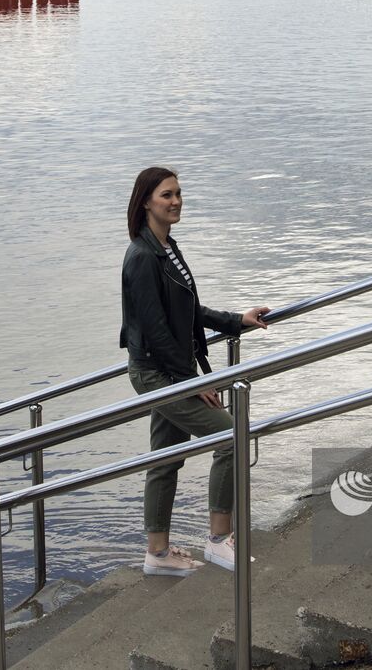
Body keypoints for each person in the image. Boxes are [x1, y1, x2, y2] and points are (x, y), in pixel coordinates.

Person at [121, 166, 271, 575]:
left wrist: (236, 320)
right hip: (158, 373)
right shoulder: (141, 256)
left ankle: (158, 554)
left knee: (166, 459)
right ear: (146, 201)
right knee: (230, 436)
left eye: (179, 194)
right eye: (167, 195)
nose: (176, 202)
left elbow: (188, 312)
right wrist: (194, 382)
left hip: (172, 368)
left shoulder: (166, 248)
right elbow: (154, 330)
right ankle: (219, 541)